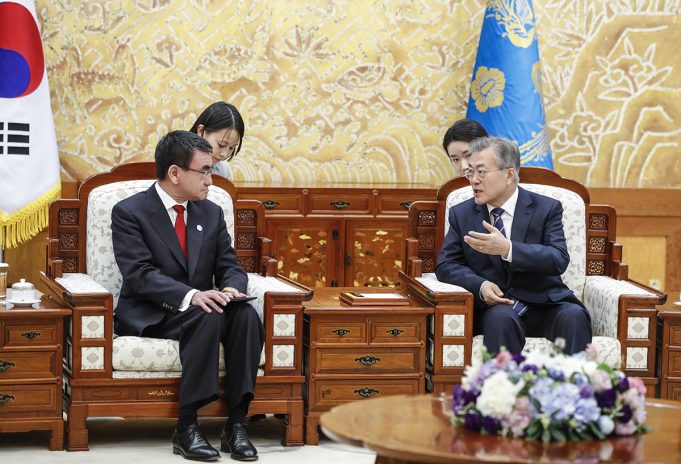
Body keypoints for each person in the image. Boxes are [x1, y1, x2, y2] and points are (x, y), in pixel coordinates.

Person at [112, 130, 263, 462]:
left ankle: (236, 424)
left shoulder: (210, 212)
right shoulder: (129, 212)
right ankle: (186, 425)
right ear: (175, 173)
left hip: (203, 307)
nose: (211, 179)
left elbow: (229, 264)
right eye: (204, 171)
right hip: (154, 311)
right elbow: (139, 274)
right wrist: (192, 295)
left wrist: (230, 288)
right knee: (207, 313)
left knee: (246, 316)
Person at [435, 136, 592, 356]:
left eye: (481, 172)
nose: (474, 180)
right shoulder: (462, 214)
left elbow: (557, 259)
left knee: (573, 316)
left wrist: (508, 249)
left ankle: (577, 379)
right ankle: (503, 380)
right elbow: (446, 265)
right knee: (501, 318)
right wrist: (480, 285)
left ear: (509, 175)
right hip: (496, 309)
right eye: (470, 172)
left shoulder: (546, 208)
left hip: (545, 304)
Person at [190, 101, 245, 179]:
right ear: (201, 131)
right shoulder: (178, 164)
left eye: (231, 148)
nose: (224, 154)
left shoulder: (222, 170)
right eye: (221, 144)